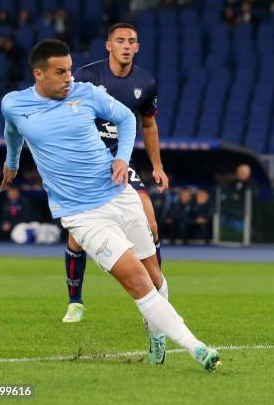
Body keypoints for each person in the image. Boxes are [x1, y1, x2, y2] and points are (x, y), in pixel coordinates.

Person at [0, 39, 220, 371]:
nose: (68, 78)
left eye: (71, 70)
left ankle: (155, 333)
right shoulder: (14, 104)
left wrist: (121, 158)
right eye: (60, 72)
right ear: (39, 73)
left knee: (154, 276)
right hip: (82, 215)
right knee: (136, 281)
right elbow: (12, 131)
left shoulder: (85, 93)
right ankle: (196, 347)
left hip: (120, 194)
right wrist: (12, 162)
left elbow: (128, 120)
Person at [63, 23, 169, 326]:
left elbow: (148, 125)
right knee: (78, 238)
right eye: (120, 40)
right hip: (87, 164)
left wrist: (158, 167)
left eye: (131, 41)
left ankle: (157, 297)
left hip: (120, 161)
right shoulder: (86, 76)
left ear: (137, 48)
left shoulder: (145, 82)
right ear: (108, 45)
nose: (126, 45)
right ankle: (75, 302)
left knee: (151, 222)